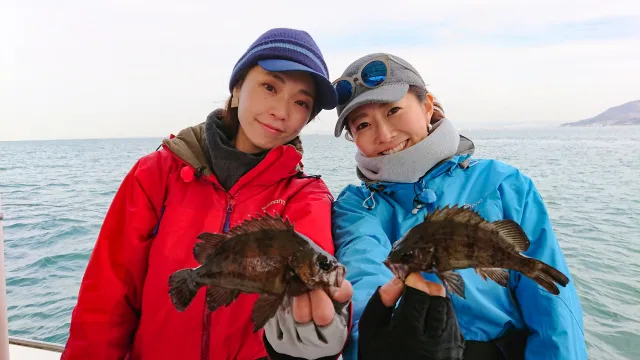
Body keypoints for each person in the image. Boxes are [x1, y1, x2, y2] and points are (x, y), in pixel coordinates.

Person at [61, 28, 353, 360]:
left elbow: (309, 291)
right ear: (238, 87)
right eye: (270, 87)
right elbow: (106, 299)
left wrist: (317, 337)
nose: (282, 111)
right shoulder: (156, 174)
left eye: (301, 102)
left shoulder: (307, 195)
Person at [330, 53, 588, 360]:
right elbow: (364, 272)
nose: (384, 134)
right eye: (362, 124)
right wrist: (378, 339)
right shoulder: (356, 207)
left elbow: (552, 307)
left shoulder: (504, 183)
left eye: (394, 110)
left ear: (427, 106)